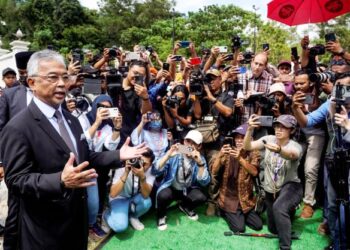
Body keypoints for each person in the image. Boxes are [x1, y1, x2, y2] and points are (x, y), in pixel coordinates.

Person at [0, 49, 147, 250]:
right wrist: (60, 180)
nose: (62, 83)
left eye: (65, 76)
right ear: (32, 82)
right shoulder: (18, 127)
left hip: (77, 221)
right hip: (45, 230)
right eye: (53, 77)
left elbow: (85, 157)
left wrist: (118, 155)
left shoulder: (72, 119)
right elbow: (16, 180)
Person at [292, 76, 350, 250]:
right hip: (333, 159)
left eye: (347, 87)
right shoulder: (330, 104)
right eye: (339, 87)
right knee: (332, 204)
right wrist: (295, 108)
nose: (343, 91)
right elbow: (306, 122)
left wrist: (348, 126)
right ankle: (337, 242)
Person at [243, 114, 303, 250]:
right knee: (273, 229)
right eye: (277, 126)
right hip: (271, 191)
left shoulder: (295, 145)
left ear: (292, 130)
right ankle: (289, 211)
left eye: (283, 127)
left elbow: (293, 154)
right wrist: (249, 129)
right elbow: (247, 147)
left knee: (279, 208)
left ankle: (285, 247)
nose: (278, 129)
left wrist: (280, 150)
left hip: (291, 187)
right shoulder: (268, 139)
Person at [153, 130, 210, 231]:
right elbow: (155, 170)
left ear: (199, 146)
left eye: (194, 143)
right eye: (188, 141)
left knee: (201, 197)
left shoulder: (200, 158)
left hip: (186, 189)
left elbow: (205, 182)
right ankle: (161, 216)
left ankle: (185, 207)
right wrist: (167, 156)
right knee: (162, 195)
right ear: (184, 142)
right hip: (172, 187)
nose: (190, 145)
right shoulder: (175, 153)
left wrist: (200, 164)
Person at [211, 124, 262, 233]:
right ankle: (223, 210)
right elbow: (214, 171)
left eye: (242, 137)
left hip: (245, 199)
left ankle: (238, 215)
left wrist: (240, 159)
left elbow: (254, 172)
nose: (239, 140)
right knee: (239, 228)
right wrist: (220, 155)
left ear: (250, 139)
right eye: (237, 137)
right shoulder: (228, 151)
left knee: (258, 225)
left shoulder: (253, 153)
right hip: (229, 198)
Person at [104, 149, 156, 232]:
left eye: (144, 164)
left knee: (147, 202)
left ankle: (133, 217)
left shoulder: (151, 171)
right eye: (139, 161)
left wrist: (142, 177)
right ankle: (106, 215)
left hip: (134, 197)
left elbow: (145, 195)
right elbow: (113, 194)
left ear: (150, 165)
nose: (140, 165)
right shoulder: (123, 166)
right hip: (119, 198)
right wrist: (126, 173)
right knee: (120, 227)